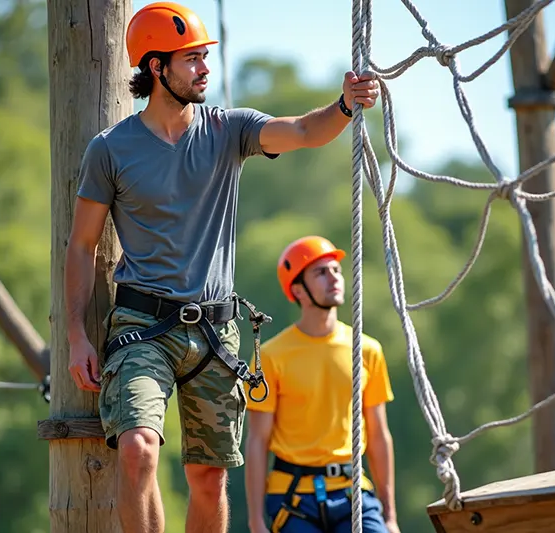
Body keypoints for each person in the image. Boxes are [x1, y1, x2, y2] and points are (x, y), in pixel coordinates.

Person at [63, 1, 381, 532]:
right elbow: (82, 245)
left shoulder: (228, 129)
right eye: (191, 59)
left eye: (205, 57)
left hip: (215, 331)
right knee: (138, 449)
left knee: (208, 477)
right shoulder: (110, 150)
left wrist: (343, 106)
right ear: (156, 67)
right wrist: (76, 333)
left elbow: (303, 130)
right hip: (142, 328)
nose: (205, 68)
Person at [244, 236, 399, 533]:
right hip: (293, 498)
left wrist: (390, 515)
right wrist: (255, 522)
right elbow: (257, 440)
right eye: (321, 272)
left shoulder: (366, 351)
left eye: (336, 270)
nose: (334, 278)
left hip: (352, 492)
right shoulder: (271, 356)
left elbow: (379, 435)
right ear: (298, 290)